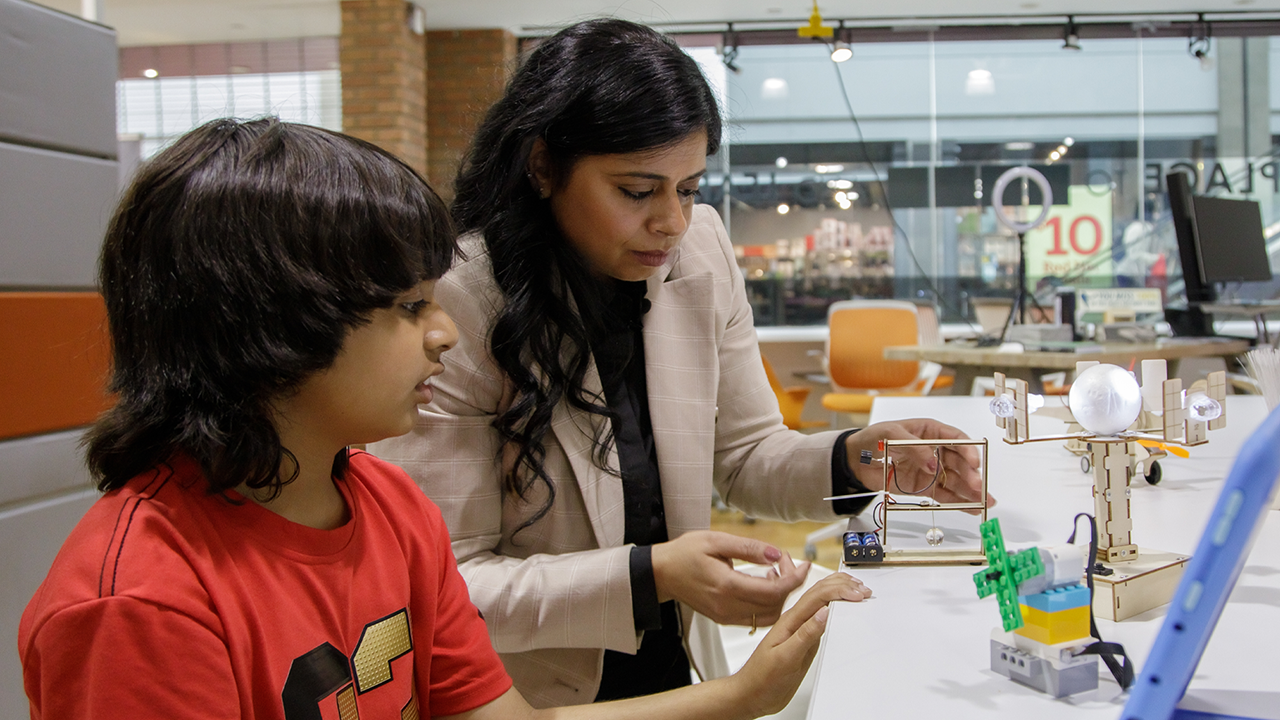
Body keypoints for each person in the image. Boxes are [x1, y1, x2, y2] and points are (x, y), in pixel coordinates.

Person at [17, 118, 864, 720]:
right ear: (269, 329)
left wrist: (745, 696)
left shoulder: (388, 510)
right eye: (404, 306)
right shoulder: (140, 605)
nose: (445, 333)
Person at [368, 17, 992, 708]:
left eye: (689, 188)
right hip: (534, 694)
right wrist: (651, 575)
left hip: (678, 660)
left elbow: (747, 455)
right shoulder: (457, 301)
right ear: (542, 167)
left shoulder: (700, 253)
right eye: (637, 191)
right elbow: (448, 584)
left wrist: (853, 460)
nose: (672, 221)